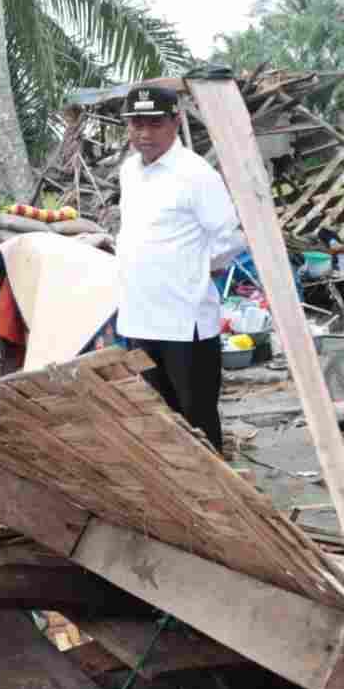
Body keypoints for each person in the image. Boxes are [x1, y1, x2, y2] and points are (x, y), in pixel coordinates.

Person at [115, 84, 245, 454]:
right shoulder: (129, 171)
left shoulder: (195, 174)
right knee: (159, 419)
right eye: (136, 123)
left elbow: (229, 238)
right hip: (139, 318)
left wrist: (191, 271)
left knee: (197, 419)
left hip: (184, 322)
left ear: (175, 121)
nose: (144, 133)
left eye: (154, 123)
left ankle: (219, 502)